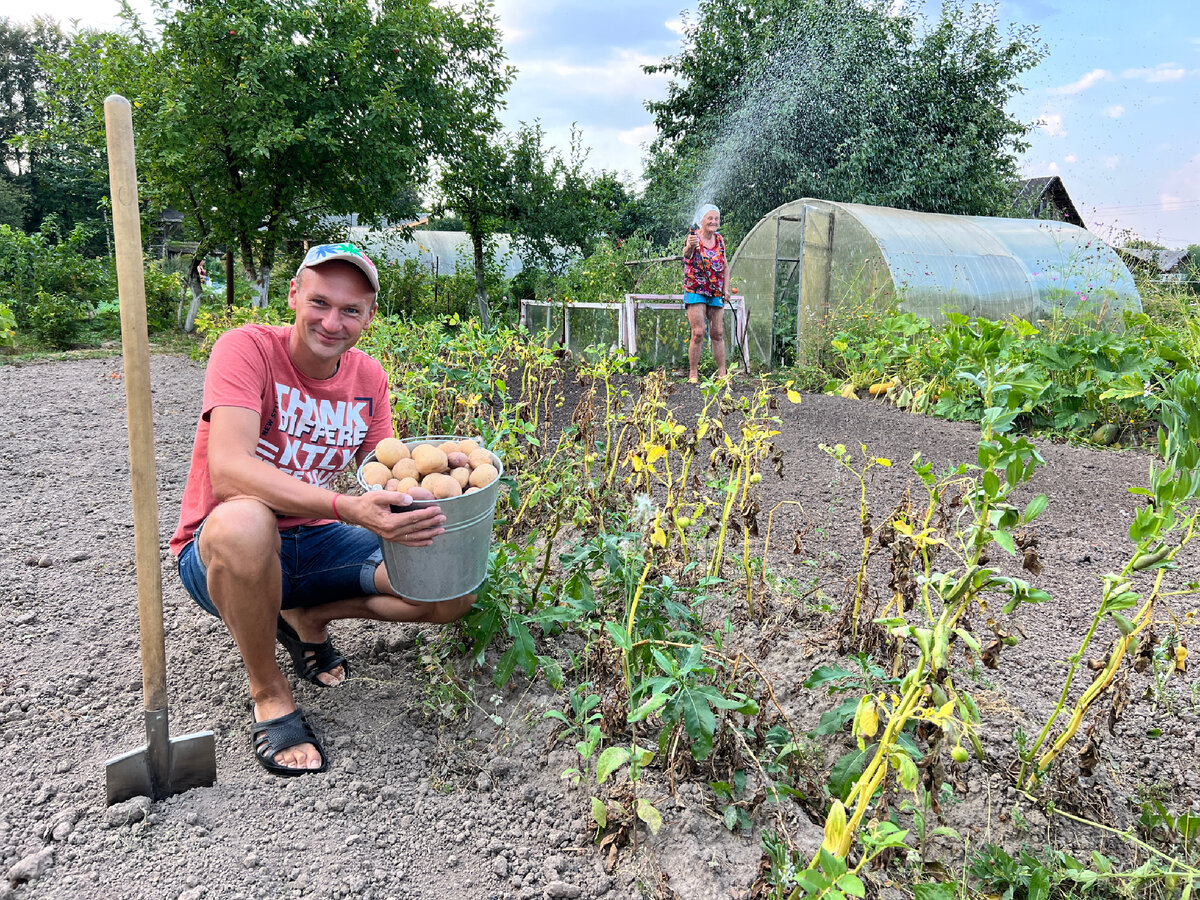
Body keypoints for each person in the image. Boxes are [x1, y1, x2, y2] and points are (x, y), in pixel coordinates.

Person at [170, 243, 475, 777]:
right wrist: (347, 508)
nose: (332, 322)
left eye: (350, 310)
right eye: (320, 303)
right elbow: (230, 471)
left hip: (314, 544)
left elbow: (385, 465)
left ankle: (307, 615)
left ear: (369, 317)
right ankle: (268, 690)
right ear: (293, 296)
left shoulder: (367, 377)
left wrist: (437, 485)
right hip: (223, 552)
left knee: (449, 590)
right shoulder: (246, 350)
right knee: (247, 519)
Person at [682, 203, 729, 384]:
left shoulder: (720, 239)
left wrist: (725, 289)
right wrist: (690, 246)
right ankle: (693, 373)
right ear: (701, 220)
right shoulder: (693, 237)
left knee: (717, 332)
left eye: (716, 218)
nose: (713, 221)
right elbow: (686, 255)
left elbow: (725, 266)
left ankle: (723, 374)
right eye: (710, 218)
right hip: (696, 289)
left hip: (715, 290)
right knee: (699, 332)